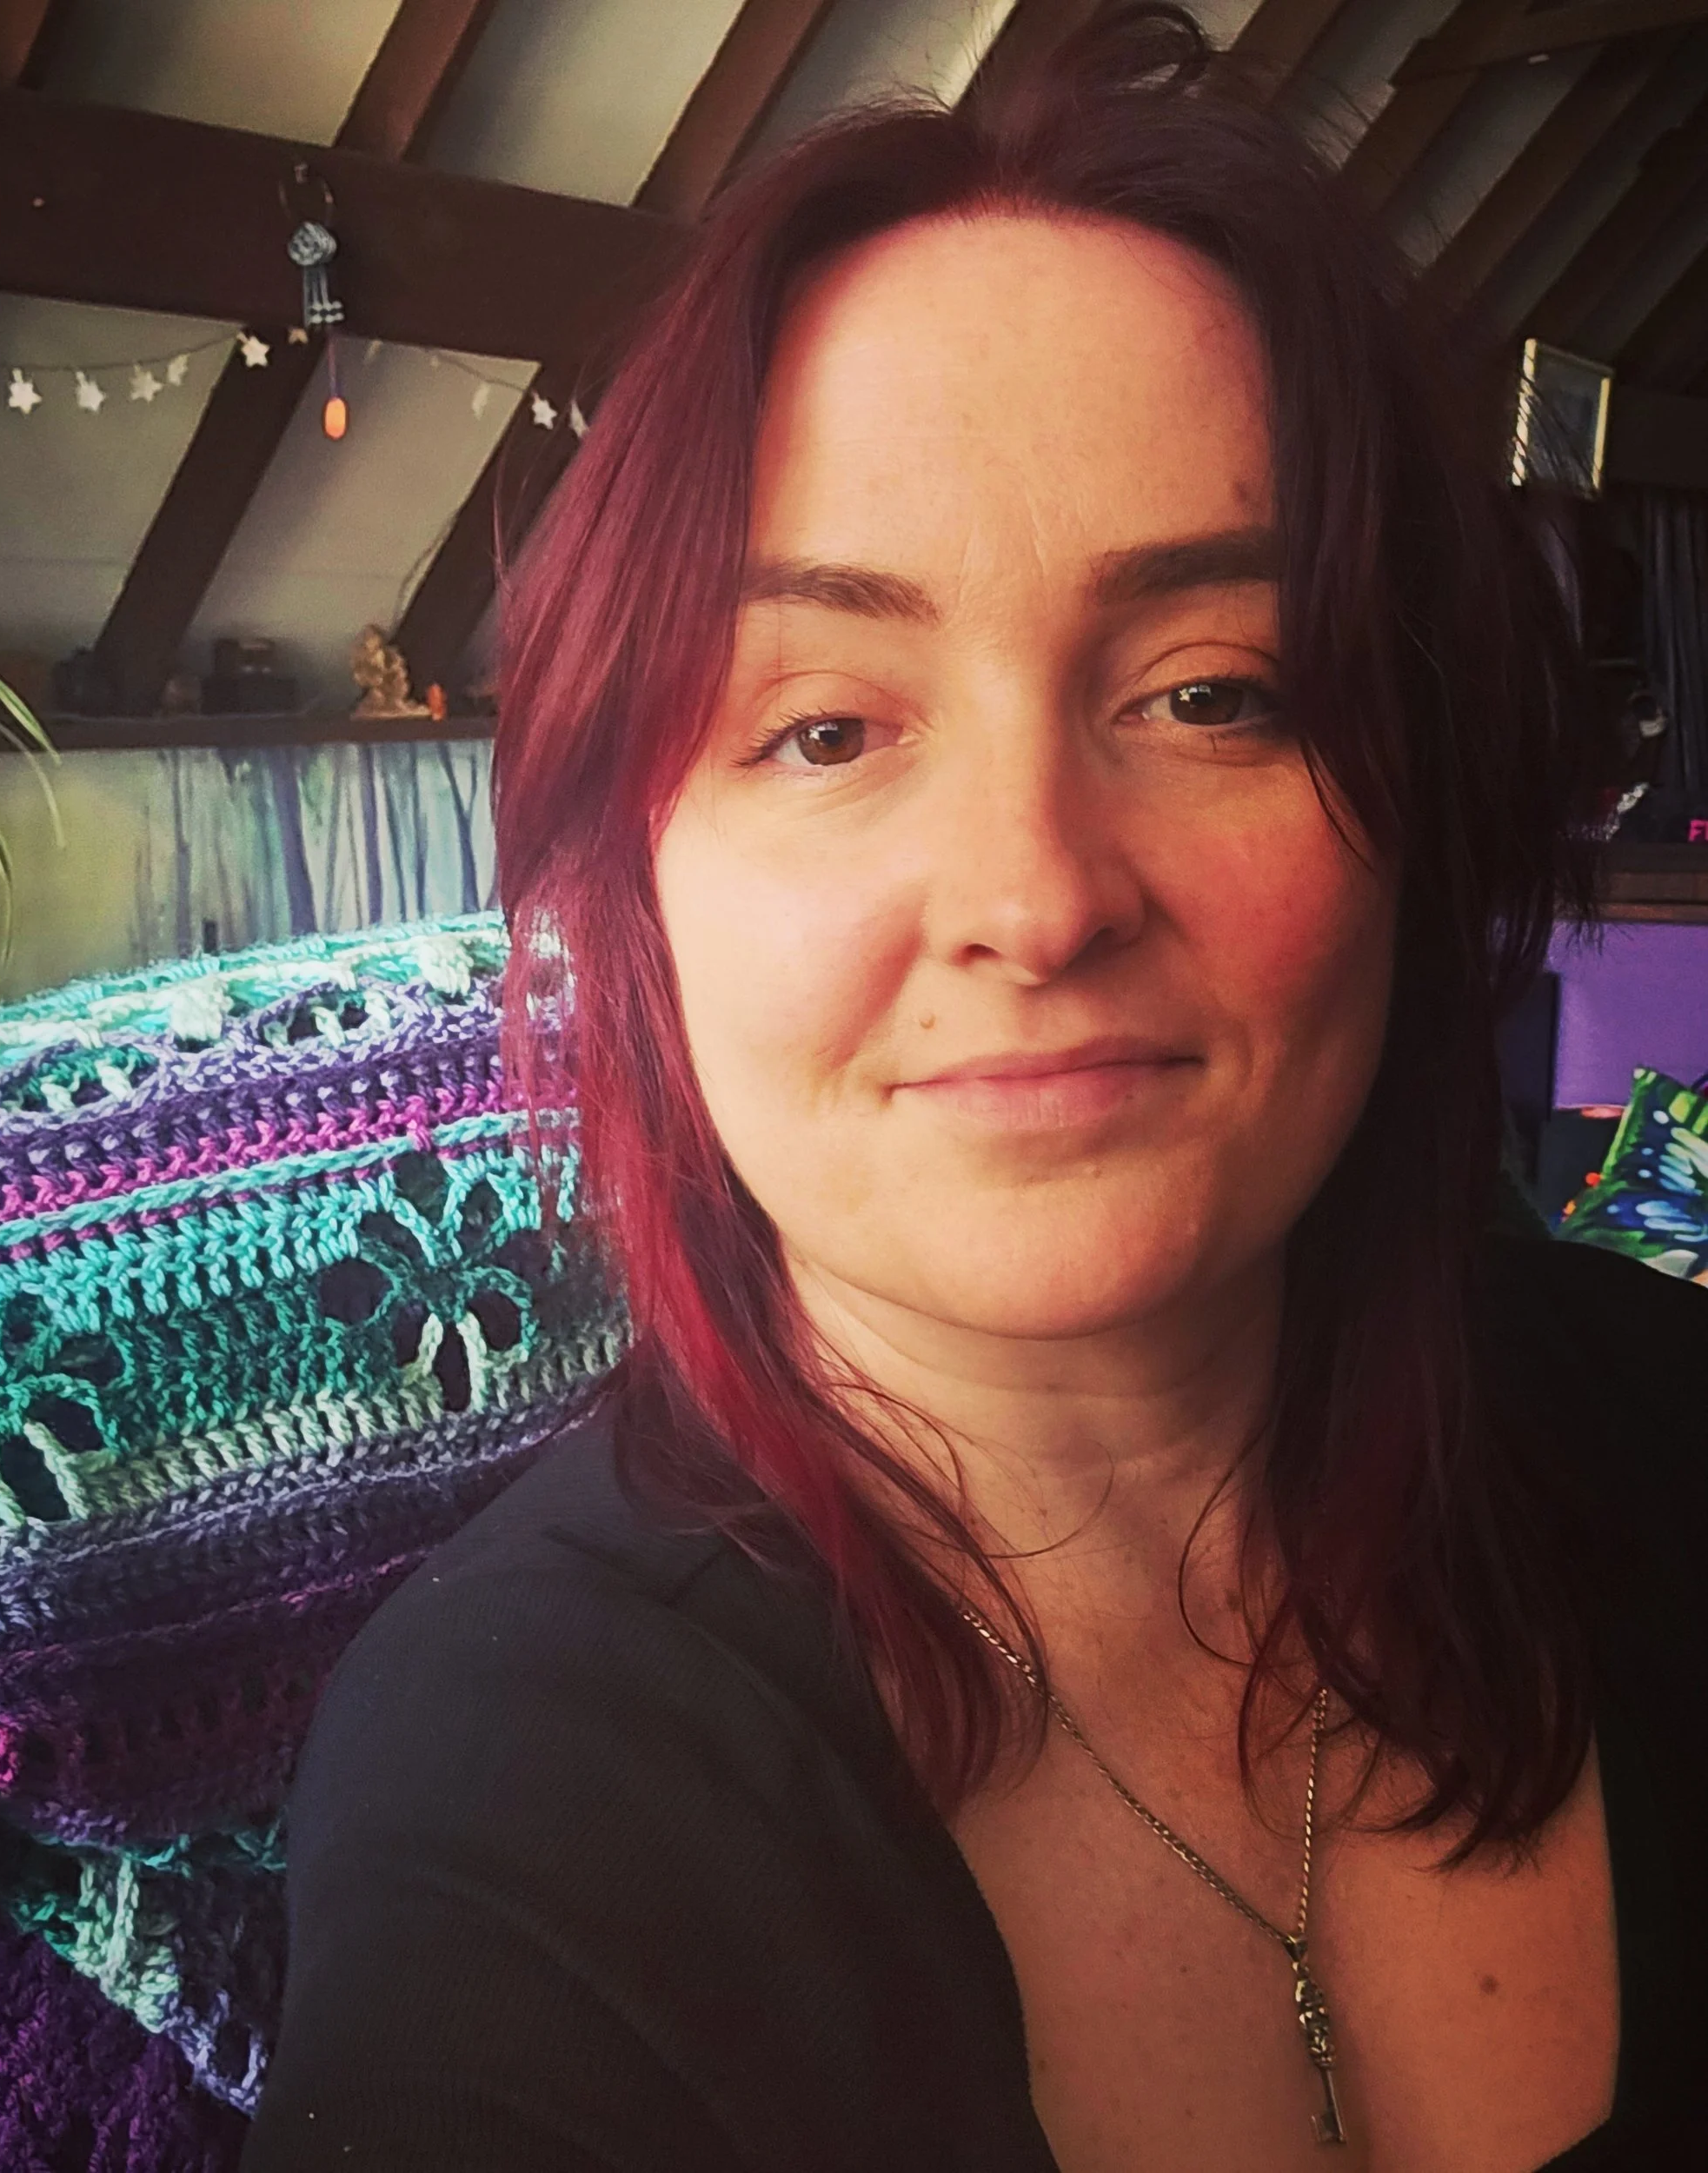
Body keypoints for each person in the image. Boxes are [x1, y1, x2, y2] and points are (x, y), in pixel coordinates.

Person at [242, 8, 1705, 2168]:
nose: (1031, 895)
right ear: (632, 897)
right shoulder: (525, 1809)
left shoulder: (1667, 1440)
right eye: (825, 726)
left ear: (1425, 797)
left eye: (1211, 690)